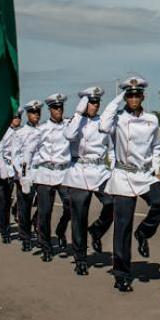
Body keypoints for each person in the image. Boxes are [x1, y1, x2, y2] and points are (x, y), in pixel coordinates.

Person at [102, 77, 160, 292]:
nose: (133, 98)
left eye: (136, 94)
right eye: (129, 95)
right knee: (122, 226)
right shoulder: (117, 118)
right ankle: (121, 273)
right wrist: (117, 99)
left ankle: (143, 233)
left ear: (143, 96)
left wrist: (156, 166)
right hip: (123, 175)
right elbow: (103, 125)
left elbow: (158, 145)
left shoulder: (151, 119)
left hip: (145, 174)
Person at [63, 87, 115, 277]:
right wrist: (78, 114)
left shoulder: (104, 123)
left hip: (100, 171)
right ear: (84, 103)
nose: (95, 105)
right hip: (78, 171)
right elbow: (68, 136)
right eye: (91, 102)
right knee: (79, 217)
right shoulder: (74, 122)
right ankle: (81, 258)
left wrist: (114, 167)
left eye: (96, 102)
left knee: (112, 203)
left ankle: (97, 230)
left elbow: (112, 149)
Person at [30, 93, 73, 262]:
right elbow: (31, 152)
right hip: (44, 174)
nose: (58, 110)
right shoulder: (41, 129)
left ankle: (61, 229)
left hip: (63, 174)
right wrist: (30, 175)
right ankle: (46, 246)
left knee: (70, 206)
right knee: (45, 213)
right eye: (55, 108)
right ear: (49, 110)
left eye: (60, 107)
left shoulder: (69, 126)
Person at [14, 100, 44, 252]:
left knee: (44, 206)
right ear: (27, 114)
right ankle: (25, 237)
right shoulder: (20, 133)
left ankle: (39, 230)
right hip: (27, 173)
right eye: (33, 112)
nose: (36, 115)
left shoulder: (44, 130)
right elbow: (15, 156)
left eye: (38, 112)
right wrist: (22, 175)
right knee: (24, 207)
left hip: (42, 173)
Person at [0, 108, 24, 244]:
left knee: (25, 199)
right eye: (15, 117)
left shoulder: (23, 133)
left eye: (19, 117)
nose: (17, 119)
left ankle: (23, 229)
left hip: (19, 171)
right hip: (6, 170)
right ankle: (5, 231)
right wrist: (2, 170)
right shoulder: (4, 132)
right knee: (4, 202)